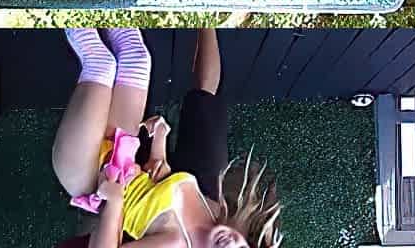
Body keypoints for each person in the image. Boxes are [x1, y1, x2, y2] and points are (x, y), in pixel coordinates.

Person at [53, 28, 283, 248]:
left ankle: (70, 2)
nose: (230, 245)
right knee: (137, 58)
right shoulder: (213, 211)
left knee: (101, 64)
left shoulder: (175, 243)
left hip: (90, 174)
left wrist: (114, 202)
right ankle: (110, 2)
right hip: (121, 151)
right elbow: (158, 174)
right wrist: (160, 137)